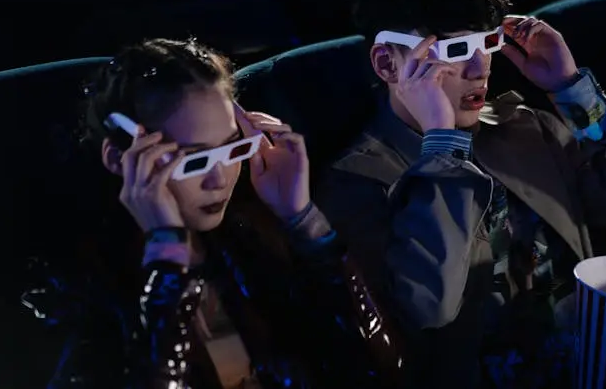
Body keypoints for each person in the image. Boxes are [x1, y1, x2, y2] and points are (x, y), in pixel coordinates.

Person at [315, 0, 606, 389]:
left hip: (594, 359)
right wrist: (442, 147)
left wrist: (575, 92)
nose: (481, 71)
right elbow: (426, 308)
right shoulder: (357, 179)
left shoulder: (524, 130)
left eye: (488, 44)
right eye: (457, 50)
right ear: (387, 64)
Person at [21, 38, 401, 389]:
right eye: (196, 160)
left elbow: (377, 369)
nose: (219, 179)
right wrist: (167, 259)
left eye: (231, 151)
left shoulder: (246, 235)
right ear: (123, 158)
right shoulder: (74, 279)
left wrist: (303, 219)